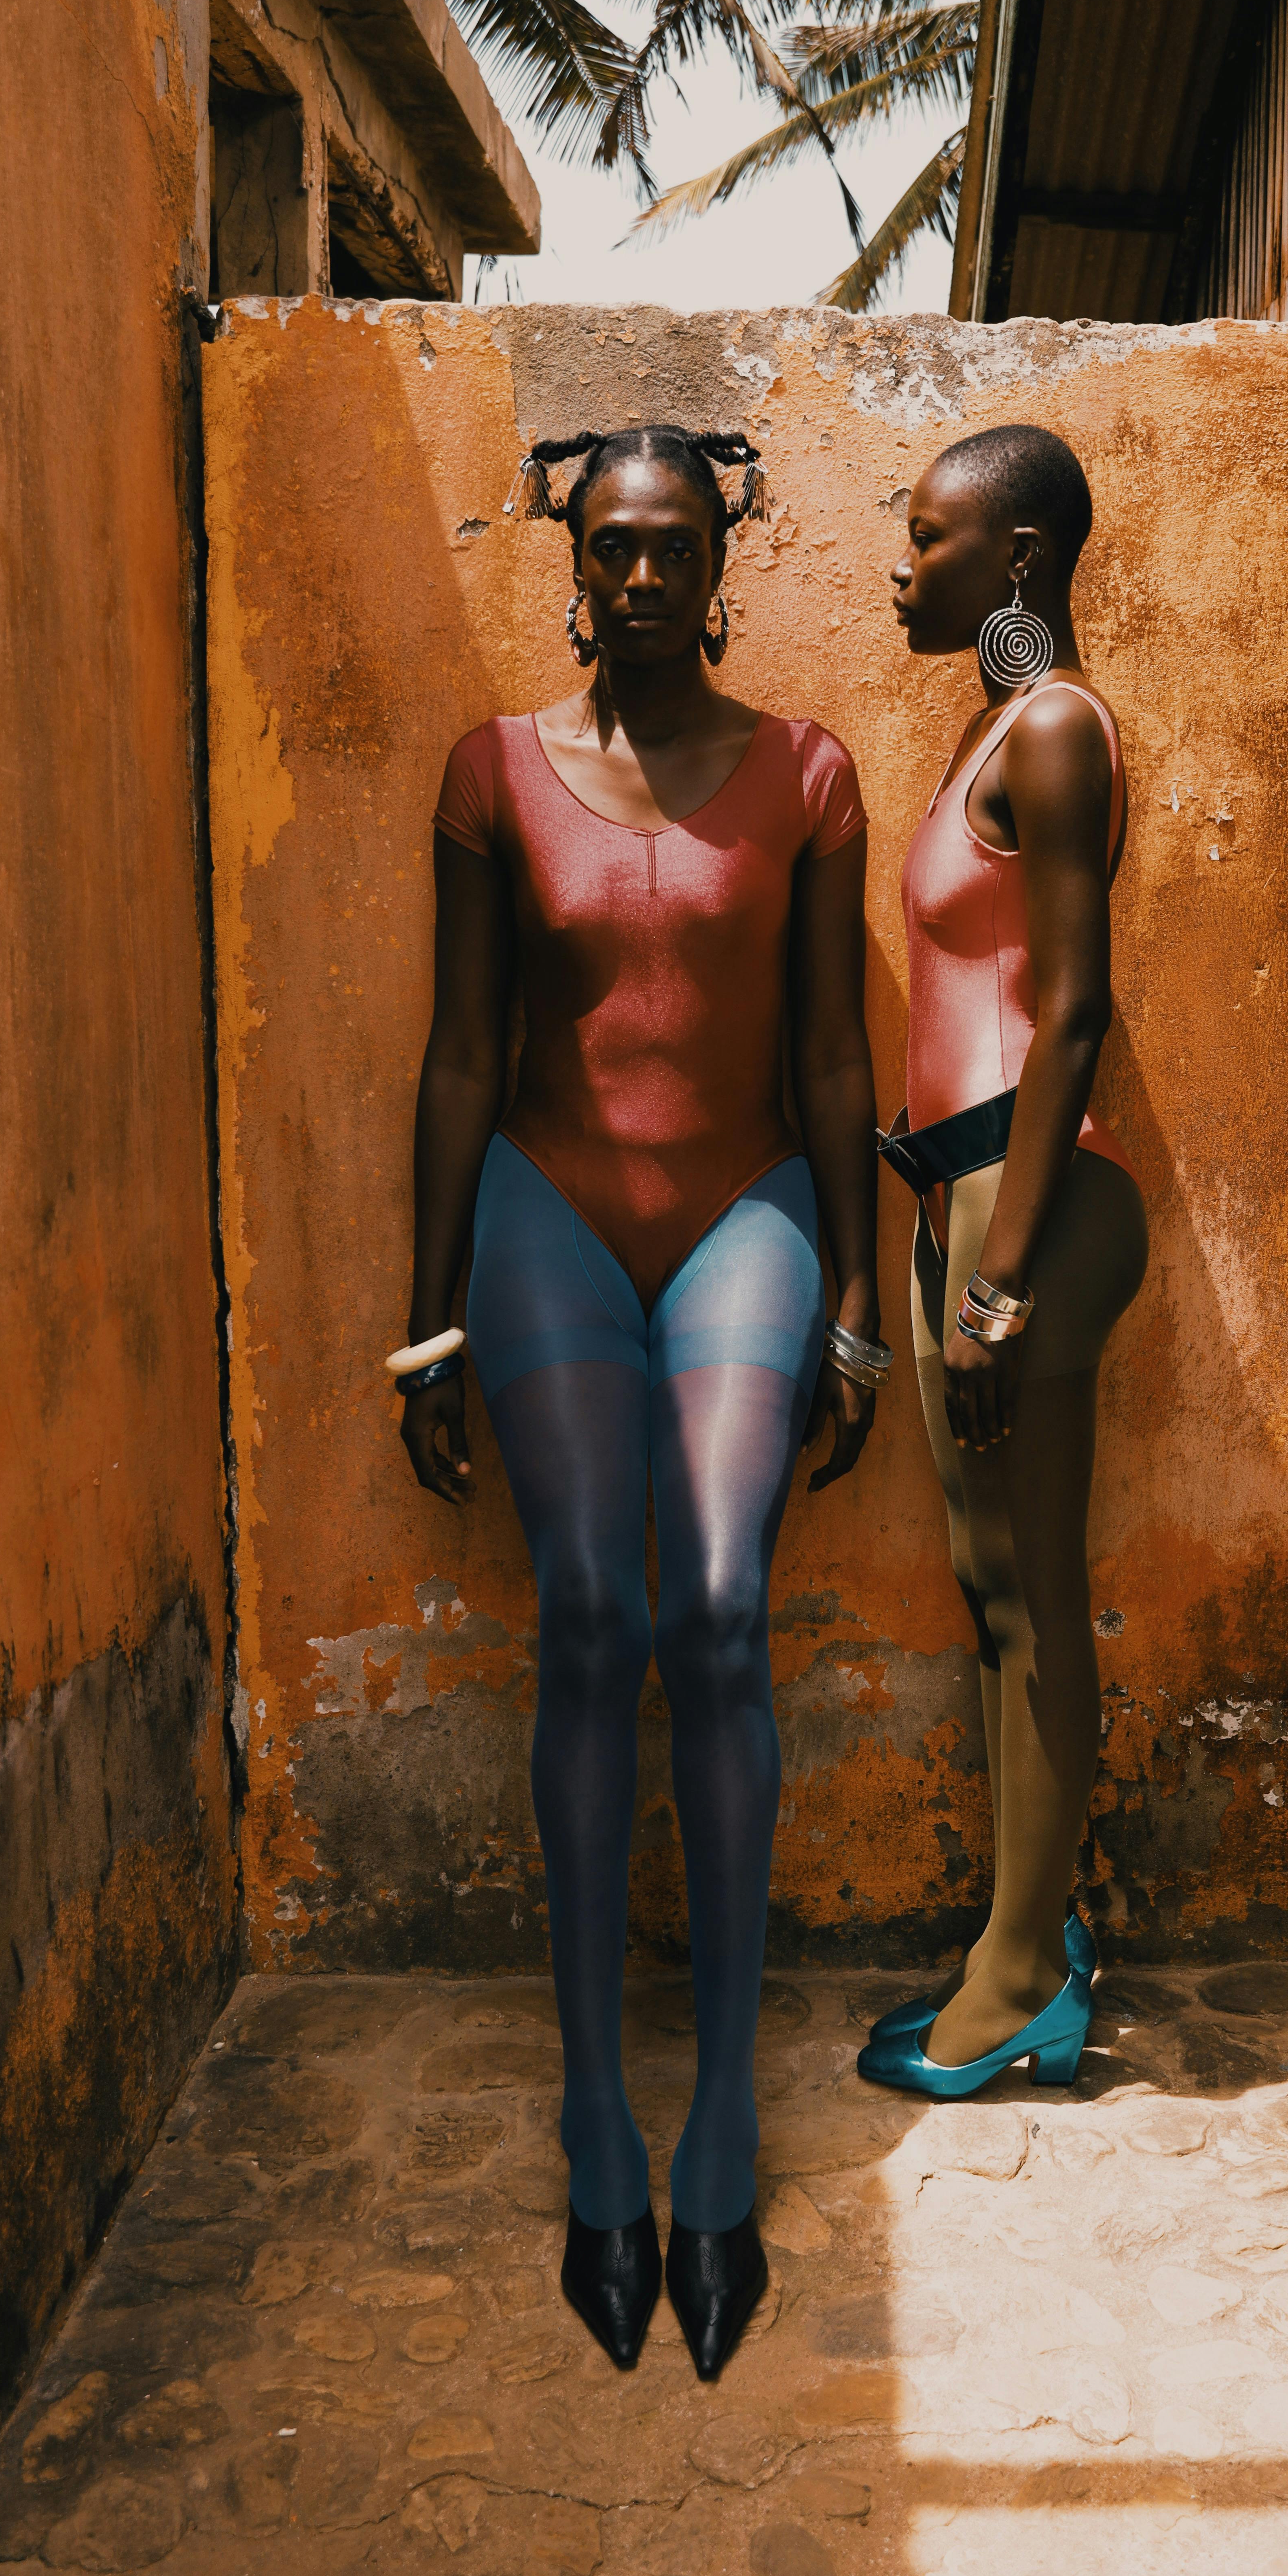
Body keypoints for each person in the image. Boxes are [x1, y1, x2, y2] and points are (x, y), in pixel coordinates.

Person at [392, 423, 886, 2378]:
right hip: (545, 1211)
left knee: (720, 1613)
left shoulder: (813, 775)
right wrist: (425, 1319)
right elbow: (456, 1059)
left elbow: (839, 1065)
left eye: (676, 544)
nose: (646, 575)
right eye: (614, 545)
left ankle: (723, 2136)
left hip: (747, 1209)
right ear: (572, 559)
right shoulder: (494, 772)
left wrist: (852, 1303)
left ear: (720, 550)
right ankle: (601, 2133)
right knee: (590, 1613)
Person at [860, 424, 1147, 2100]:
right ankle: (1017, 1939)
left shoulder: (1053, 728)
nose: (903, 570)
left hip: (1019, 1213)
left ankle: (1024, 1976)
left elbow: (1072, 1009)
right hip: (960, 1202)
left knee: (1030, 1596)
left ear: (1018, 556)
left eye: (928, 540)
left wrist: (996, 1282)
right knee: (991, 1593)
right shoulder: (998, 721)